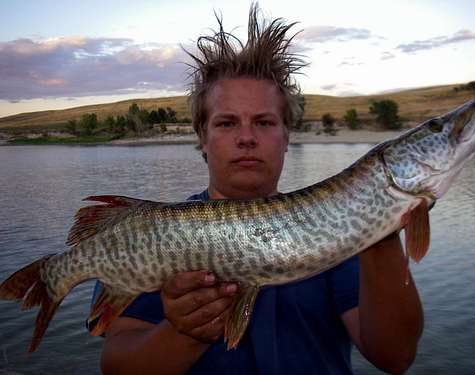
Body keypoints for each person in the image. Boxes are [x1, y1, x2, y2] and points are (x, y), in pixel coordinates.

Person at [96, 4, 423, 374]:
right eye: (227, 123)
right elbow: (115, 365)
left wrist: (379, 234)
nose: (247, 138)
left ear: (288, 136)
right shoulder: (148, 235)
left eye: (264, 122)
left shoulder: (342, 238)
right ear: (202, 138)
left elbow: (395, 357)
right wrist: (185, 333)